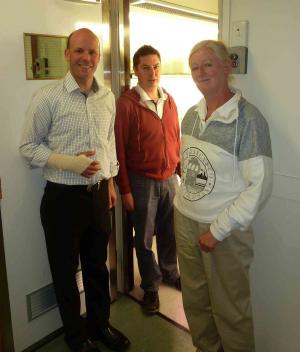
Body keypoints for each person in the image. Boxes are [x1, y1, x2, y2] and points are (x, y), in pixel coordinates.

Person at [19, 28, 130, 352]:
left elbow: (107, 143)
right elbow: (26, 147)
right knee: (65, 274)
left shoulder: (107, 97)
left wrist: (109, 181)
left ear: (99, 57)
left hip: (97, 196)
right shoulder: (48, 97)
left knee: (97, 268)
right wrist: (68, 163)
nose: (87, 58)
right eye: (80, 51)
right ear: (67, 54)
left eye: (93, 53)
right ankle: (76, 339)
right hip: (62, 199)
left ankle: (100, 327)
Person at [174, 40, 273, 352]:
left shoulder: (248, 120)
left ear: (227, 66)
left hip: (223, 234)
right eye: (194, 67)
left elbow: (259, 188)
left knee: (231, 312)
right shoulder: (191, 115)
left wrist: (216, 230)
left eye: (207, 64)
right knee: (195, 303)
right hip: (185, 222)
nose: (200, 72)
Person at [114, 45, 181, 314]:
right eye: (146, 67)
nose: (152, 73)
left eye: (156, 67)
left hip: (169, 180)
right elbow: (119, 148)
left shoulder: (170, 99)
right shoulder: (128, 104)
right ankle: (151, 288)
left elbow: (175, 136)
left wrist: (180, 170)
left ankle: (170, 272)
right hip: (140, 181)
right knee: (142, 238)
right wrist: (125, 189)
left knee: (170, 233)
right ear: (135, 71)